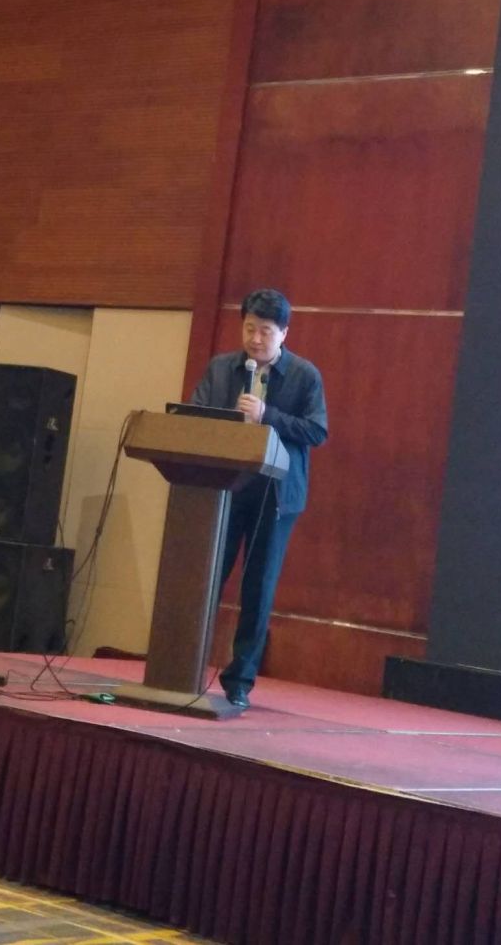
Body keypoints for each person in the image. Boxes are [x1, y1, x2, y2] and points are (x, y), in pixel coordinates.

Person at [191, 288, 328, 709]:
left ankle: (239, 681)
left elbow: (316, 431)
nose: (255, 339)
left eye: (265, 331)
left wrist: (267, 416)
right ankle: (186, 665)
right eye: (249, 328)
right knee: (205, 579)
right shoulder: (221, 368)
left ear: (284, 333)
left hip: (275, 495)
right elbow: (195, 415)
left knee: (258, 588)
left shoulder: (305, 375)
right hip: (225, 488)